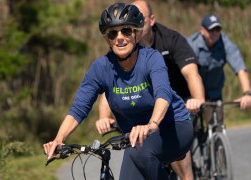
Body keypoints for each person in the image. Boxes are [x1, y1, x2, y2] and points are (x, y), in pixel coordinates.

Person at [44, 3, 193, 180]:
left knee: (139, 152)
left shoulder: (152, 59)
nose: (119, 38)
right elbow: (79, 108)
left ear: (136, 33)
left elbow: (163, 93)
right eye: (112, 33)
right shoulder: (101, 68)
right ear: (107, 39)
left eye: (126, 31)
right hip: (135, 140)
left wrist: (151, 125)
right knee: (135, 156)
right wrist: (59, 139)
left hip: (173, 127)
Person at [95, 0, 204, 179]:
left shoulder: (171, 39)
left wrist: (198, 99)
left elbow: (192, 73)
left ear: (151, 20)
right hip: (144, 105)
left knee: (180, 160)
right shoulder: (123, 49)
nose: (122, 32)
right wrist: (104, 117)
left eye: (139, 19)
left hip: (176, 101)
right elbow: (113, 86)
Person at [187, 14, 251, 123]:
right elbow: (184, 71)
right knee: (189, 125)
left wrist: (247, 93)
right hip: (193, 92)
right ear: (202, 30)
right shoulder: (192, 44)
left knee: (217, 124)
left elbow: (240, 67)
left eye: (218, 29)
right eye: (211, 30)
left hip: (214, 92)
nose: (215, 33)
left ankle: (216, 137)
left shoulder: (225, 43)